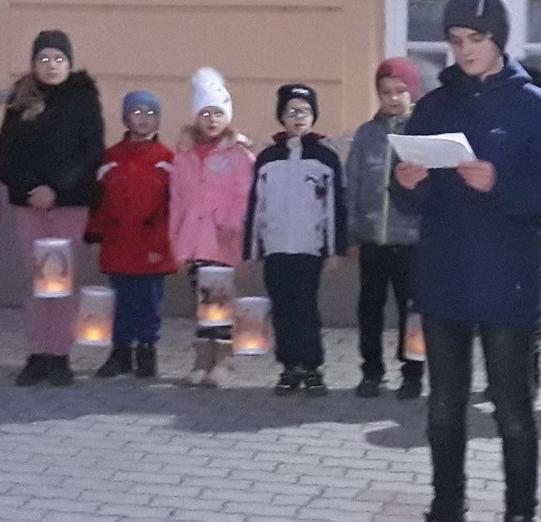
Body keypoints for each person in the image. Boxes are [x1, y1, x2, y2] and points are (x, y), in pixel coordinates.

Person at [392, 0, 541, 522]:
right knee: (444, 408)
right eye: (455, 39)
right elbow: (408, 199)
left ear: (499, 40)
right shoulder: (434, 107)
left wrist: (501, 184)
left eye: (476, 38)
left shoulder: (536, 108)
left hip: (507, 282)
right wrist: (405, 185)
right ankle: (447, 518)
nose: (465, 50)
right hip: (443, 276)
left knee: (513, 411)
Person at [0, 30, 105, 387]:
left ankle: (60, 355)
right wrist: (32, 188)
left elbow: (92, 150)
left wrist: (57, 188)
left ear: (69, 64)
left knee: (63, 280)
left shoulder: (84, 99)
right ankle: (37, 353)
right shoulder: (20, 100)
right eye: (44, 59)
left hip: (69, 205)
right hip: (30, 206)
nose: (51, 66)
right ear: (33, 64)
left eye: (58, 59)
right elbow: (4, 156)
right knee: (36, 280)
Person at [244, 83, 347, 397]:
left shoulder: (325, 159)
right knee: (282, 308)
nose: (298, 117)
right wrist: (253, 250)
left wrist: (333, 250)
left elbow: (335, 207)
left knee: (306, 308)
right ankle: (289, 366)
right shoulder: (268, 159)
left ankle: (312, 366)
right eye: (292, 112)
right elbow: (256, 205)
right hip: (276, 248)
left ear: (314, 116)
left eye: (304, 111)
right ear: (282, 117)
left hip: (309, 248)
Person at [169, 67, 255, 388]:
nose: (211, 120)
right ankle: (202, 359)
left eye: (218, 113)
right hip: (195, 241)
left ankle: (223, 359)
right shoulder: (184, 155)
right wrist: (176, 240)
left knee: (220, 301)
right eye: (205, 113)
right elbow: (178, 199)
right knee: (202, 302)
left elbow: (246, 193)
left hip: (223, 240)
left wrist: (233, 222)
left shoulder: (239, 154)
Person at [345, 57, 424, 400]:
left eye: (399, 91)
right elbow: (353, 183)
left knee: (412, 311)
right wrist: (351, 232)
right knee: (370, 307)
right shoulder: (367, 134)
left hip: (411, 240)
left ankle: (412, 373)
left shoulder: (422, 133)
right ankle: (371, 371)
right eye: (385, 92)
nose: (393, 98)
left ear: (412, 92)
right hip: (373, 238)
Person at [85, 91, 177, 380]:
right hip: (118, 243)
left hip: (151, 247)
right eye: (137, 112)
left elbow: (172, 208)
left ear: (158, 120)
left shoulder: (167, 160)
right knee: (121, 301)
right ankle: (120, 352)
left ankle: (147, 351)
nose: (144, 119)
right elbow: (99, 201)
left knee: (148, 303)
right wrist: (94, 233)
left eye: (151, 113)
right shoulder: (111, 158)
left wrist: (161, 243)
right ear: (126, 118)